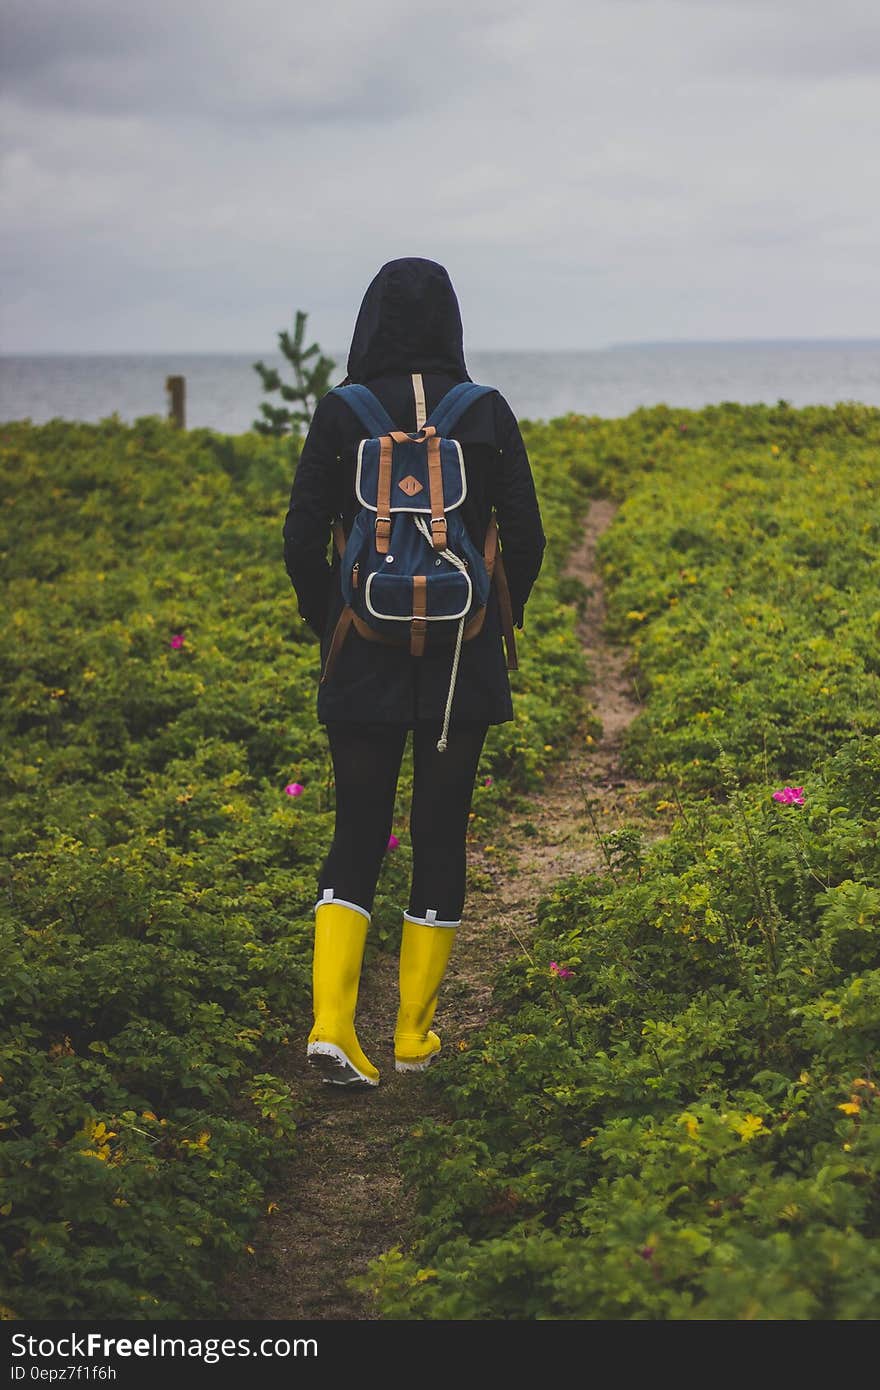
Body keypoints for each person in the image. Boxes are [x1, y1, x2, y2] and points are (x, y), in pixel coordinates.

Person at [282, 257, 546, 1087]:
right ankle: (414, 1038)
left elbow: (299, 539)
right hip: (461, 662)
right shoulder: (486, 410)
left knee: (356, 829)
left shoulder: (341, 413)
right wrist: (494, 619)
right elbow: (528, 538)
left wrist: (334, 618)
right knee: (438, 834)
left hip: (360, 653)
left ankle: (332, 1026)